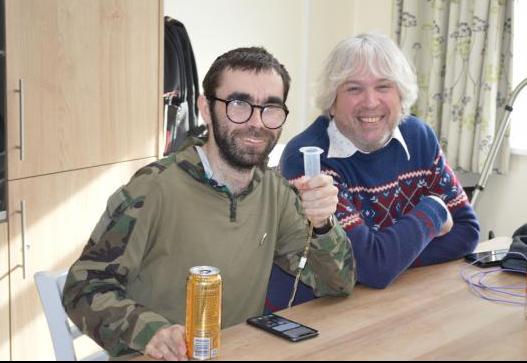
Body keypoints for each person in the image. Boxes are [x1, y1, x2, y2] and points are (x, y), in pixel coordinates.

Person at [62, 47, 356, 360]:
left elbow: (337, 284)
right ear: (206, 108)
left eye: (270, 108)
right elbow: (84, 288)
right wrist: (149, 331)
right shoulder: (153, 189)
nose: (256, 122)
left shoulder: (275, 191)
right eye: (239, 104)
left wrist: (324, 224)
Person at [265, 33, 480, 310]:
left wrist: (390, 256)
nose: (370, 101)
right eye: (354, 89)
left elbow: (467, 233)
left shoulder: (419, 137)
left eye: (383, 86)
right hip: (312, 314)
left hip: (390, 301)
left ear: (401, 94)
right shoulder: (309, 158)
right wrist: (435, 211)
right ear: (332, 100)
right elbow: (370, 268)